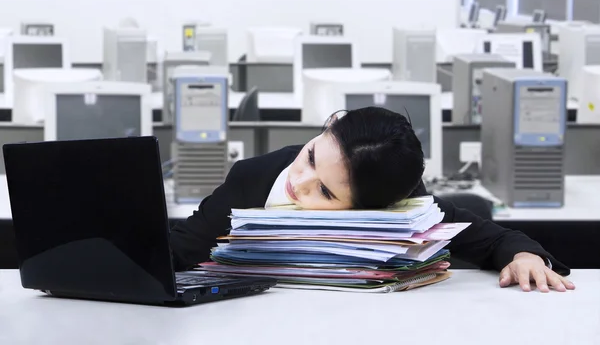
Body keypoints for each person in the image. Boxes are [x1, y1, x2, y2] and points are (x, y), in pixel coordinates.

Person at [170, 107, 575, 293]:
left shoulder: (398, 203)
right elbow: (183, 247)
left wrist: (525, 257)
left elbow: (491, 238)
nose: (301, 181)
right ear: (329, 125)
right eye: (311, 156)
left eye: (326, 192)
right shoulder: (252, 178)